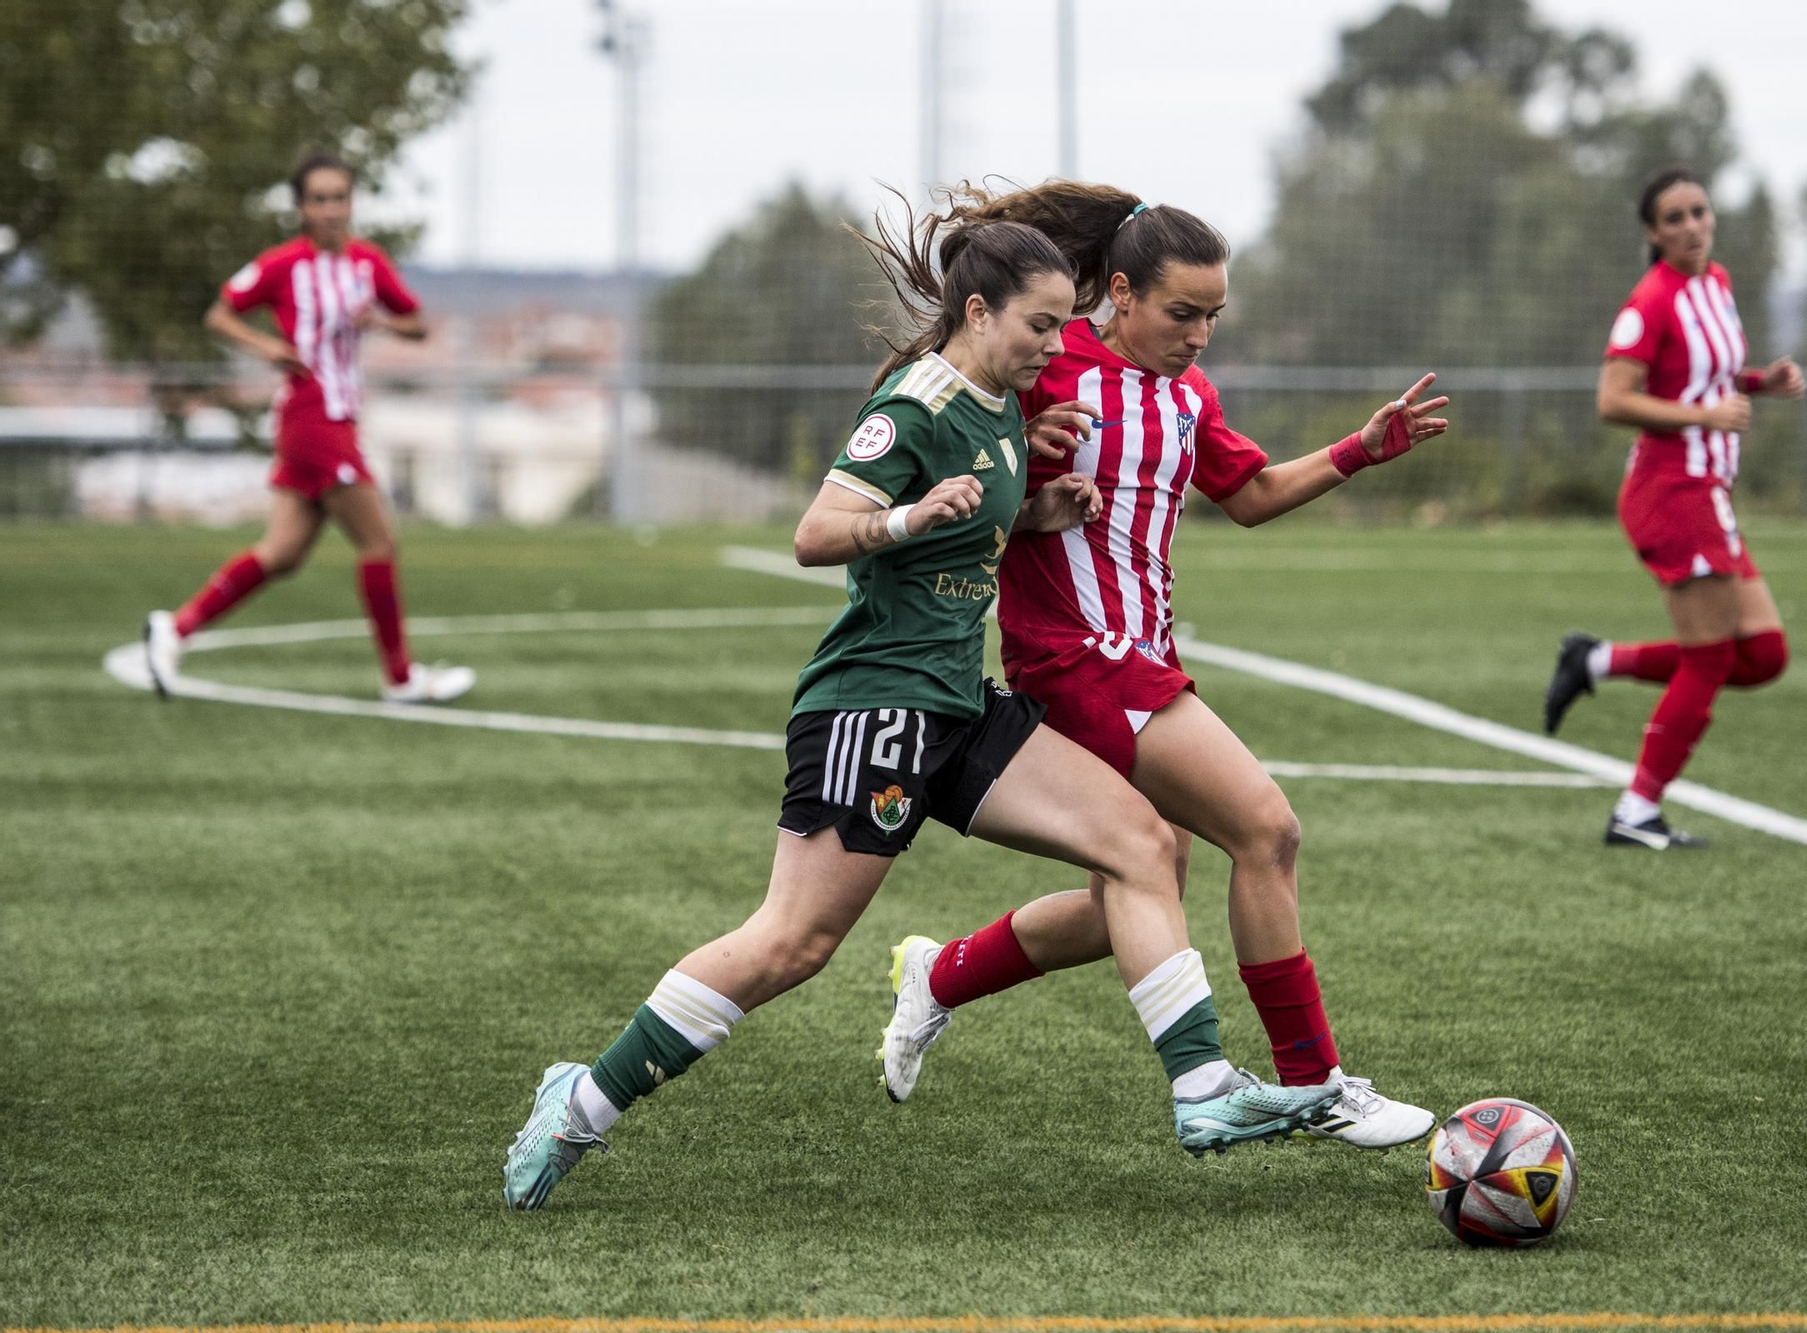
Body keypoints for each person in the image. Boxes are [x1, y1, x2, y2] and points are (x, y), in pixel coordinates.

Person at [502, 218, 1344, 1211]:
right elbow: (816, 534)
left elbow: (978, 518)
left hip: (955, 702)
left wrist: (1032, 511)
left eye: (1061, 325)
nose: (1050, 346)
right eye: (1037, 325)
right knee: (791, 942)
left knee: (1141, 843)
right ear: (978, 312)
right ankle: (580, 1102)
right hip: (874, 704)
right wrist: (908, 517)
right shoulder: (916, 406)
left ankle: (1203, 1090)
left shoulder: (997, 410)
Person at [871, 182, 1444, 1150]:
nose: (1198, 335)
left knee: (1136, 893)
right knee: (1265, 829)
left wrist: (1360, 449)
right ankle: (1316, 1085)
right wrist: (1023, 468)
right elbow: (952, 468)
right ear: (1121, 294)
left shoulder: (1188, 394)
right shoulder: (1051, 368)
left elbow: (1251, 493)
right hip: (1075, 659)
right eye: (1181, 313)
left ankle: (943, 972)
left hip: (1145, 656)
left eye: (1213, 317)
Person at [141, 151, 473, 704]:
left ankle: (172, 631)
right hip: (311, 417)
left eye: (339, 197)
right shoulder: (282, 264)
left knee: (283, 553)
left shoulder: (368, 263)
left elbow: (417, 324)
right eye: (318, 199)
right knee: (378, 541)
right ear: (300, 207)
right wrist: (268, 345)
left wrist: (382, 322)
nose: (330, 209)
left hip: (339, 417)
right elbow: (220, 314)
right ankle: (400, 679)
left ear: (352, 202)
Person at [1541, 167, 1804, 849]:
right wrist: (1704, 412)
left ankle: (1595, 662)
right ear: (1653, 233)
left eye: (1700, 211)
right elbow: (1613, 399)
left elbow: (1705, 375)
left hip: (1709, 493)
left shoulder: (1715, 284)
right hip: (1672, 494)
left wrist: (1757, 383)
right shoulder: (1650, 301)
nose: (1692, 225)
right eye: (1675, 217)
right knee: (1713, 658)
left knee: (1764, 653)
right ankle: (1636, 810)